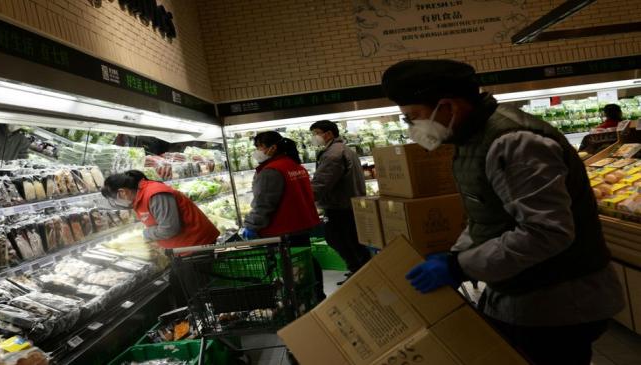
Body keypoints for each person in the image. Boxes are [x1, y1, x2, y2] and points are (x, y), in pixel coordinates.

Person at [381, 59, 624, 365]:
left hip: (561, 301)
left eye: (413, 117)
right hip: (525, 294)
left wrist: (460, 267)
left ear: (448, 106)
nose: (412, 128)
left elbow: (546, 232)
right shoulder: (470, 138)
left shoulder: (515, 142)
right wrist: (455, 255)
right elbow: (487, 215)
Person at [101, 170, 220, 307]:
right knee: (180, 288)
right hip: (181, 249)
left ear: (122, 192)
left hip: (195, 245)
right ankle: (193, 320)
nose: (115, 204)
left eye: (113, 199)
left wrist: (146, 234)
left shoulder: (155, 193)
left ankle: (210, 321)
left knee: (197, 293)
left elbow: (169, 228)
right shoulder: (140, 196)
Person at [242, 131, 325, 300]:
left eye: (259, 147)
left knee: (291, 269)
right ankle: (315, 296)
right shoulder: (294, 165)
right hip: (301, 224)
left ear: (272, 148)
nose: (257, 151)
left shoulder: (271, 171)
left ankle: (299, 303)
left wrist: (251, 226)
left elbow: (263, 204)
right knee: (304, 262)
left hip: (283, 228)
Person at [309, 120, 371, 284]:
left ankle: (360, 271)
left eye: (316, 133)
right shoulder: (345, 149)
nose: (314, 137)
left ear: (328, 134)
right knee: (351, 239)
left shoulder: (332, 154)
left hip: (339, 205)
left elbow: (322, 183)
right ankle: (361, 270)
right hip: (349, 202)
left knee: (338, 239)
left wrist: (308, 198)